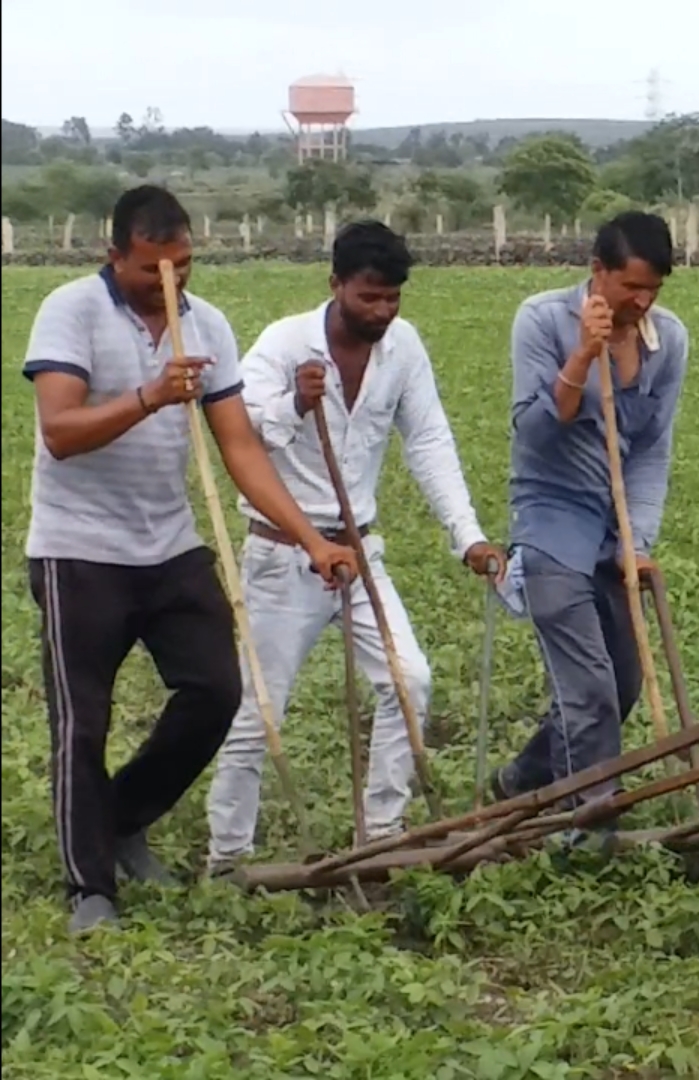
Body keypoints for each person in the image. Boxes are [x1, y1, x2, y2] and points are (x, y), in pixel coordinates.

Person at [21, 184, 358, 935]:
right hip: (78, 550)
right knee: (84, 721)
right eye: (152, 271)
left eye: (183, 264)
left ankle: (120, 816)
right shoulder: (71, 310)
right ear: (115, 257)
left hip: (168, 545)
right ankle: (90, 888)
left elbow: (239, 446)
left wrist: (311, 538)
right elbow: (61, 431)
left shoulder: (206, 324)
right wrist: (147, 396)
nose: (171, 283)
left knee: (215, 688)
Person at [203, 221, 506, 874]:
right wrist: (295, 401)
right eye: (369, 297)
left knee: (410, 682)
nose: (382, 311)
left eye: (393, 298)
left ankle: (383, 834)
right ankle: (227, 859)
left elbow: (429, 441)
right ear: (335, 283)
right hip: (283, 555)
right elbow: (247, 436)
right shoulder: (283, 345)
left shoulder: (403, 347)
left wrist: (469, 536)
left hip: (359, 552)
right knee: (259, 711)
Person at [487, 211, 689, 818]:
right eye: (631, 286)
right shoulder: (542, 320)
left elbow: (652, 452)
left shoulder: (668, 339)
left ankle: (526, 778)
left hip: (616, 527)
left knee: (621, 685)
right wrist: (581, 358)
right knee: (590, 690)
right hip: (549, 520)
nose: (643, 300)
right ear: (596, 271)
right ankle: (589, 820)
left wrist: (639, 539)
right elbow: (533, 434)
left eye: (654, 288)